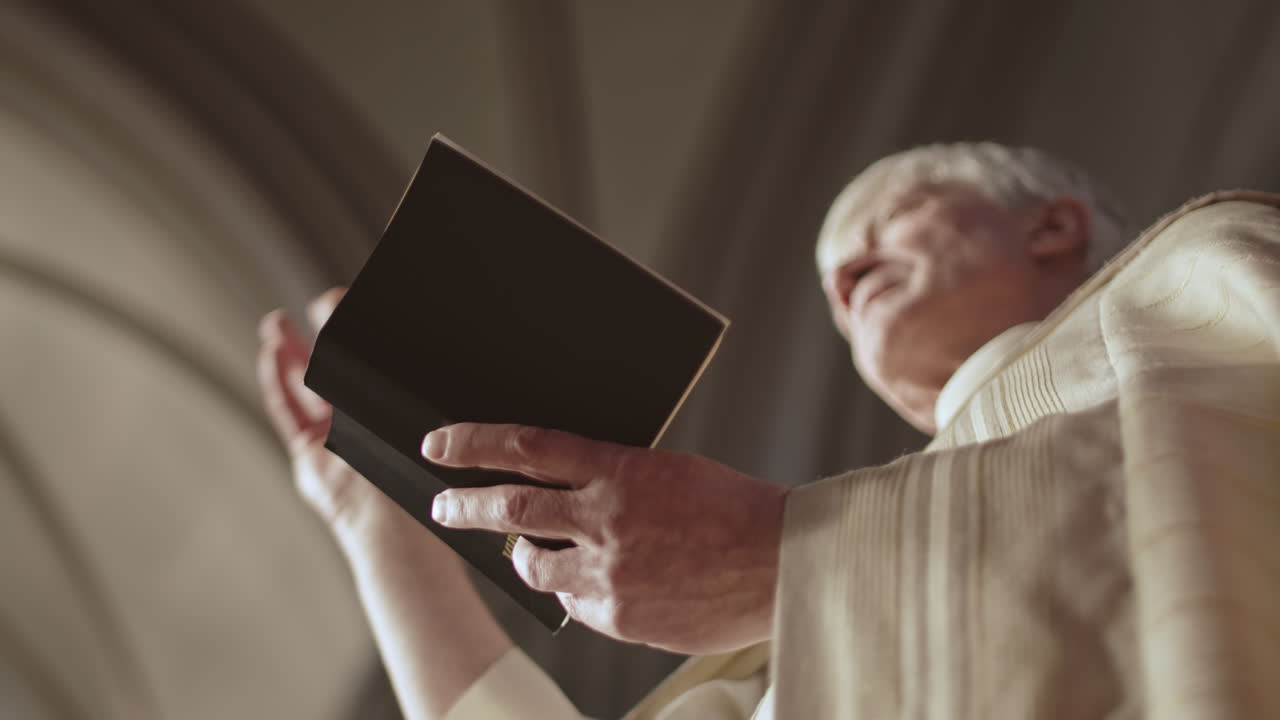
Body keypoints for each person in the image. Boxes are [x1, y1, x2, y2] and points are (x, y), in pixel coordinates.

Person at [257, 143, 1280, 719]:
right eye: (832, 288)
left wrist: (783, 553)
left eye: (893, 216)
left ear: (1049, 226)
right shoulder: (813, 614)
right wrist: (371, 519)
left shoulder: (1202, 270)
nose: (841, 277)